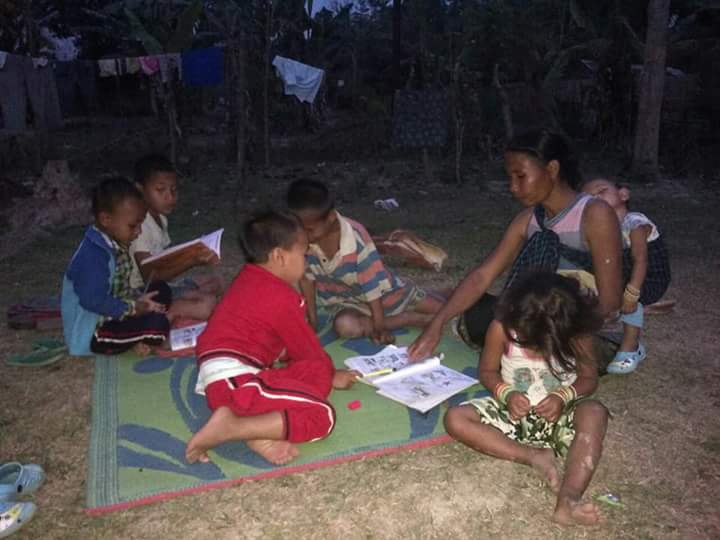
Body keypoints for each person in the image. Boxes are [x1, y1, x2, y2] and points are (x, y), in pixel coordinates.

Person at [409, 129, 623, 362]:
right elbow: (482, 276)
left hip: (585, 330)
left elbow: (610, 302)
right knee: (477, 310)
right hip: (536, 321)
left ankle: (528, 349)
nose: (512, 187)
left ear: (552, 169)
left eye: (520, 176)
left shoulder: (594, 214)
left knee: (517, 330)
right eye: (510, 178)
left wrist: (549, 325)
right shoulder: (528, 219)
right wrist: (437, 323)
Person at [185, 210, 359, 466]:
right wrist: (330, 374)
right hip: (236, 381)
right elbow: (308, 351)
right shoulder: (283, 298)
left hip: (227, 379)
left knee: (304, 374)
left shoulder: (248, 278)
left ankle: (258, 432)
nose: (306, 261)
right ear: (279, 256)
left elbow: (279, 345)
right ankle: (233, 427)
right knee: (321, 415)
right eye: (303, 254)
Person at [444, 273, 609, 526]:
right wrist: (506, 393)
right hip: (511, 414)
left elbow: (589, 378)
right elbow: (487, 371)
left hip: (561, 416)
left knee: (595, 412)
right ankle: (532, 456)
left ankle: (569, 498)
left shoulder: (578, 335)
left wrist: (563, 396)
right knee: (455, 418)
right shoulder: (501, 328)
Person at [286, 179, 444, 344]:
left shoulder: (356, 238)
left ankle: (422, 300)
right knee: (345, 326)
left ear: (331, 217)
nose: (302, 234)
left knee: (443, 310)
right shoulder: (302, 240)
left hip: (386, 295)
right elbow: (306, 280)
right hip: (348, 303)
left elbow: (372, 286)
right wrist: (312, 323)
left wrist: (379, 327)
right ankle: (408, 319)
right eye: (298, 228)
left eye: (309, 229)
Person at [61, 177, 171, 356]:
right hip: (95, 332)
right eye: (133, 226)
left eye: (140, 225)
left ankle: (138, 335)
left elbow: (118, 290)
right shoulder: (93, 255)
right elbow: (93, 301)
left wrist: (138, 300)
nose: (138, 232)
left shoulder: (113, 242)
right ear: (106, 219)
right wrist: (134, 309)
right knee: (157, 326)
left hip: (117, 312)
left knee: (160, 289)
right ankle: (140, 336)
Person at [583, 178, 671, 374]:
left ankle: (631, 349)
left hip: (649, 277)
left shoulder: (634, 222)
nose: (595, 198)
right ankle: (610, 318)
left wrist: (631, 294)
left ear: (623, 195)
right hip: (625, 274)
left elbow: (641, 260)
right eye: (589, 198)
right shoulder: (601, 227)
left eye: (601, 191)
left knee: (628, 298)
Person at [130, 154, 221, 321]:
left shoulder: (160, 218)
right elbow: (150, 277)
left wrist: (194, 252)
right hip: (143, 293)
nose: (170, 197)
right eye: (160, 190)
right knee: (207, 304)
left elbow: (164, 261)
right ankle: (167, 315)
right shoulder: (140, 225)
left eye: (173, 190)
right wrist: (192, 260)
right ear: (140, 189)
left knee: (214, 282)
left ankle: (176, 309)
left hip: (163, 286)